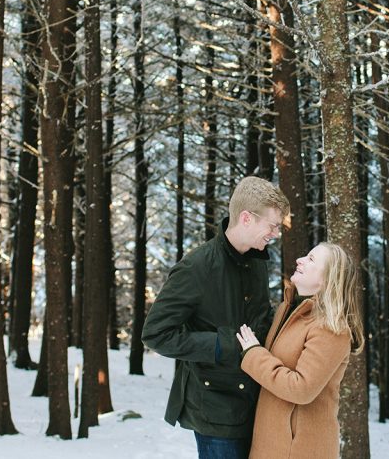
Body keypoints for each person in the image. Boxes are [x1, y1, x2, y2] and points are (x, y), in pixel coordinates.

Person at [142, 176, 291, 459]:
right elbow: (155, 334)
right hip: (216, 410)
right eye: (271, 226)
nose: (275, 234)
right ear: (247, 218)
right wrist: (223, 344)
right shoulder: (196, 268)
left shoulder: (257, 261)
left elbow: (259, 317)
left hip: (257, 400)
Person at [235, 242, 364, 459]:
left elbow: (301, 389)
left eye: (311, 259)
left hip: (299, 449)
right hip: (271, 444)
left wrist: (254, 354)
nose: (299, 260)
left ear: (327, 279)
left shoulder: (331, 328)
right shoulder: (289, 309)